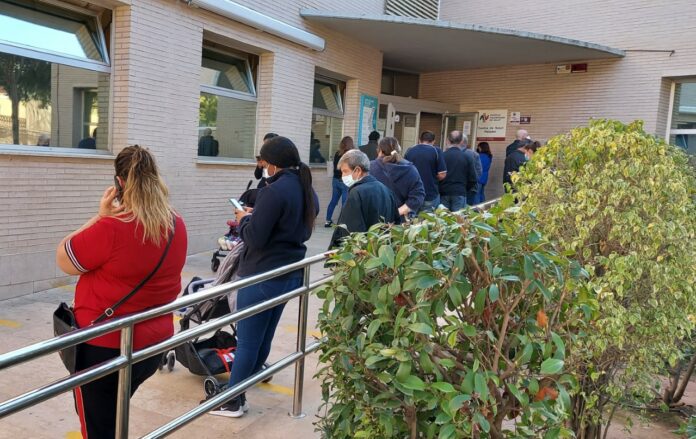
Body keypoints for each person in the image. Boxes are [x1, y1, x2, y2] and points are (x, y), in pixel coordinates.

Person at [56, 145, 188, 438]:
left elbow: (64, 257)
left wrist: (100, 216)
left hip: (104, 346)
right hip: (152, 343)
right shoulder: (176, 224)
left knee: (97, 427)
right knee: (113, 415)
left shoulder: (112, 228)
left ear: (119, 182)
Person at [210, 136, 318, 418]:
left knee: (248, 341)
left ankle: (233, 401)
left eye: (264, 163)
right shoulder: (306, 188)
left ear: (272, 164)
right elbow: (291, 224)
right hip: (289, 273)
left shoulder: (273, 191)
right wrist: (257, 215)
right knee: (264, 334)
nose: (263, 168)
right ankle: (242, 386)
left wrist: (245, 219)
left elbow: (255, 237)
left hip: (261, 275)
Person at [329, 150, 399, 248]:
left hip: (362, 252)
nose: (342, 176)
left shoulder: (356, 193)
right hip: (383, 250)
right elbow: (396, 224)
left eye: (345, 171)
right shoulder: (386, 189)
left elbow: (350, 234)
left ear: (357, 170)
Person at [370, 137, 425, 218]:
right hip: (401, 220)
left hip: (375, 219)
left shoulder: (370, 167)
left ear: (380, 151)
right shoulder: (410, 169)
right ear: (398, 150)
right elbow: (417, 197)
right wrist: (395, 213)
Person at [404, 131, 446, 212]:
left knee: (411, 219)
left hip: (412, 194)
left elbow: (405, 171)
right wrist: (432, 178)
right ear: (433, 141)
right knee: (428, 218)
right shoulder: (436, 151)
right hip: (430, 193)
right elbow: (442, 174)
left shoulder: (410, 150)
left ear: (419, 140)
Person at [438, 131, 477, 212]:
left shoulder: (442, 156)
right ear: (462, 141)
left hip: (443, 192)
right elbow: (473, 179)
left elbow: (437, 175)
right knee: (458, 218)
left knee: (442, 217)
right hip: (460, 192)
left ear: (447, 140)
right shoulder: (467, 157)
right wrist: (464, 189)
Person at [325, 136, 355, 227]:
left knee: (333, 201)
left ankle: (327, 221)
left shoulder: (337, 153)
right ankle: (342, 223)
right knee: (344, 203)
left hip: (335, 180)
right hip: (345, 181)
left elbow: (336, 167)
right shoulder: (351, 155)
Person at [461, 135, 482, 206]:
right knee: (467, 209)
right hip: (471, 188)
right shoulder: (474, 154)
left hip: (457, 189)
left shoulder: (449, 153)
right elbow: (479, 172)